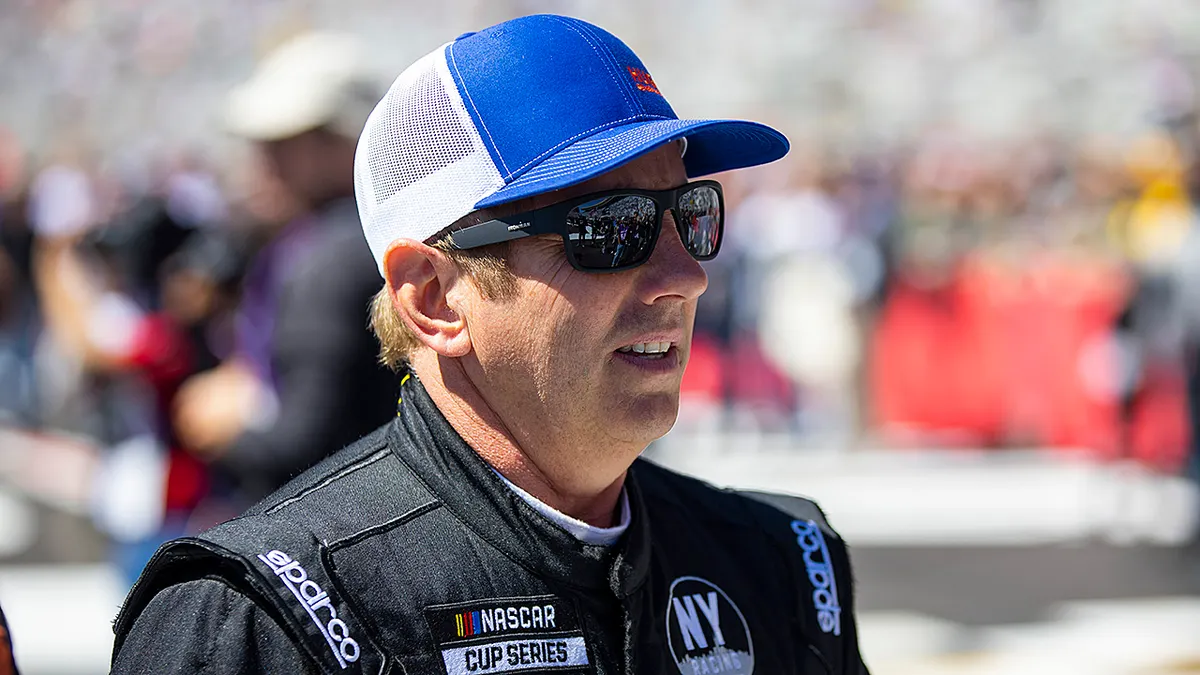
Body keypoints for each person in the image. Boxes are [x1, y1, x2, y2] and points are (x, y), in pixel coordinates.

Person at [111, 15, 870, 674]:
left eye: (692, 214)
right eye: (612, 227)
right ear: (434, 298)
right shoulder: (266, 617)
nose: (687, 277)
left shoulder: (783, 566)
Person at [171, 32, 398, 503]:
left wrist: (223, 428)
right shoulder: (360, 234)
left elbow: (305, 442)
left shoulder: (332, 257)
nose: (264, 161)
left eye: (285, 143)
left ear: (342, 141)